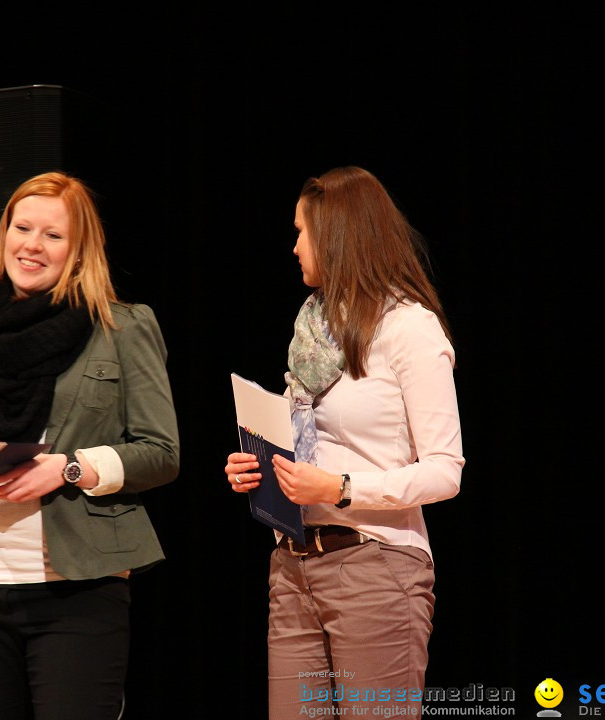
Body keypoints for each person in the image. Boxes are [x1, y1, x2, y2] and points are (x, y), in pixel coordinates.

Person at [0, 170, 180, 720]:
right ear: (4, 234)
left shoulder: (122, 328)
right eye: (22, 227)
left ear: (79, 250)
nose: (31, 245)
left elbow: (161, 452)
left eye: (52, 235)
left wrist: (71, 468)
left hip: (78, 593)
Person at [223, 166, 465, 718]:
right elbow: (308, 439)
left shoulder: (409, 328)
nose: (294, 247)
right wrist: (259, 468)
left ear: (336, 235)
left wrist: (340, 486)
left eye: (302, 232)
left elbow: (446, 471)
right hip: (292, 563)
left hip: (375, 566)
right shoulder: (312, 329)